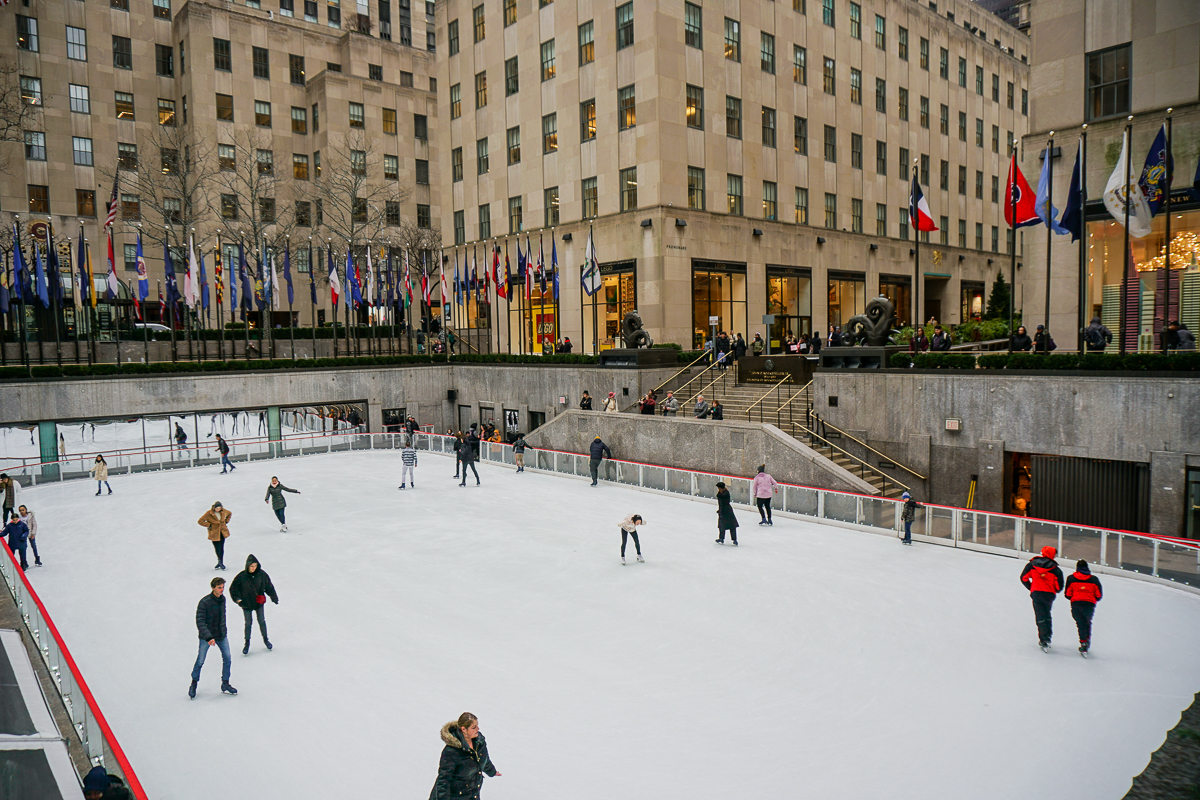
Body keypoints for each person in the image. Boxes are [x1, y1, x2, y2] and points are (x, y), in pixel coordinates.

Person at [429, 712, 501, 800]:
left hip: (472, 794)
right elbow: (443, 780)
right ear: (464, 729)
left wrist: (492, 771)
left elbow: (483, 759)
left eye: (477, 726)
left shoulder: (479, 742)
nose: (477, 729)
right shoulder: (451, 752)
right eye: (473, 727)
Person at [190, 577, 237, 698]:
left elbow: (222, 618)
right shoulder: (204, 602)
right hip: (207, 637)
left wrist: (222, 632)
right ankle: (194, 683)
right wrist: (209, 637)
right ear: (213, 588)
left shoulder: (223, 600)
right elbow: (200, 622)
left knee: (227, 658)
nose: (222, 590)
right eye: (219, 587)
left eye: (223, 587)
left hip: (221, 635)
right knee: (200, 660)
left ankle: (225, 683)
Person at [229, 554, 278, 655]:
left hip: (258, 602)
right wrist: (238, 600)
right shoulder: (241, 576)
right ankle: (247, 643)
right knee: (248, 623)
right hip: (246, 603)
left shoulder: (262, 574)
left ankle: (266, 640)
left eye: (255, 566)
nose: (253, 568)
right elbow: (233, 589)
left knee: (261, 621)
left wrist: (273, 597)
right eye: (252, 566)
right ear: (247, 566)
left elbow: (269, 586)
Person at [1020, 545, 1064, 651]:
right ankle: (1048, 636)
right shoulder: (1056, 569)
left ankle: (1043, 638)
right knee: (1047, 614)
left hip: (1036, 594)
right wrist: (1054, 590)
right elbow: (1059, 586)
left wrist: (1031, 588)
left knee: (1040, 616)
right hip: (1049, 595)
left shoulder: (1032, 565)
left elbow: (1023, 577)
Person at [1064, 559, 1103, 655]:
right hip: (1089, 605)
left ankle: (1083, 642)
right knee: (1087, 622)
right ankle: (1087, 640)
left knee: (1080, 623)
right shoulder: (1094, 579)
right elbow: (1098, 595)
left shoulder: (1071, 578)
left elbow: (1067, 594)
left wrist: (1075, 597)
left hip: (1076, 604)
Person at [198, 501, 232, 570]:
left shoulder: (223, 511)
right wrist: (209, 525)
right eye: (217, 508)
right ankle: (219, 561)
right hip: (214, 533)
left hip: (222, 532)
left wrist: (226, 521)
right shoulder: (209, 513)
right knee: (217, 548)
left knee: (221, 547)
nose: (218, 509)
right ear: (214, 507)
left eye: (219, 508)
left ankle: (221, 562)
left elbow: (229, 513)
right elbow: (200, 521)